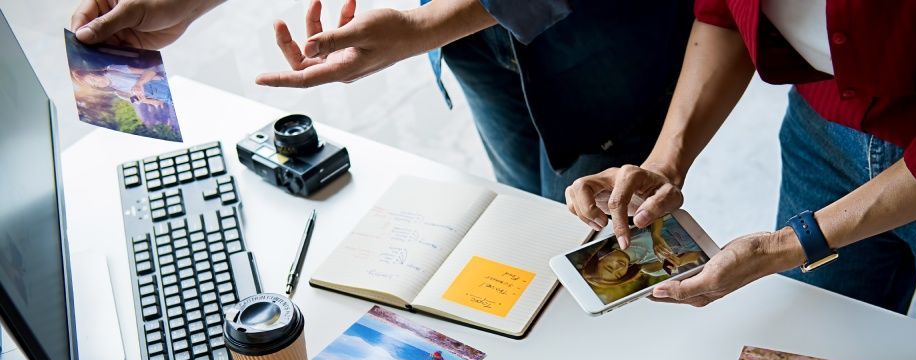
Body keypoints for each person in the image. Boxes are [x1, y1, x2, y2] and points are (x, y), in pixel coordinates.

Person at [564, 1, 916, 333]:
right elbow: (724, 15)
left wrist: (780, 247)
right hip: (822, 139)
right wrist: (664, 163)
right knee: (815, 342)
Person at [69, 0, 693, 202]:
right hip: (468, 34)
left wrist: (425, 29)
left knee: (599, 231)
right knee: (524, 208)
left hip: (606, 37)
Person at [71, 66, 171, 108]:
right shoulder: (119, 94)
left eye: (93, 80)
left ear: (93, 74)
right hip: (167, 99)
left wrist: (139, 83)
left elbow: (151, 71)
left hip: (165, 84)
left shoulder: (113, 70)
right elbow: (157, 102)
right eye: (93, 84)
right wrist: (145, 100)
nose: (96, 83)